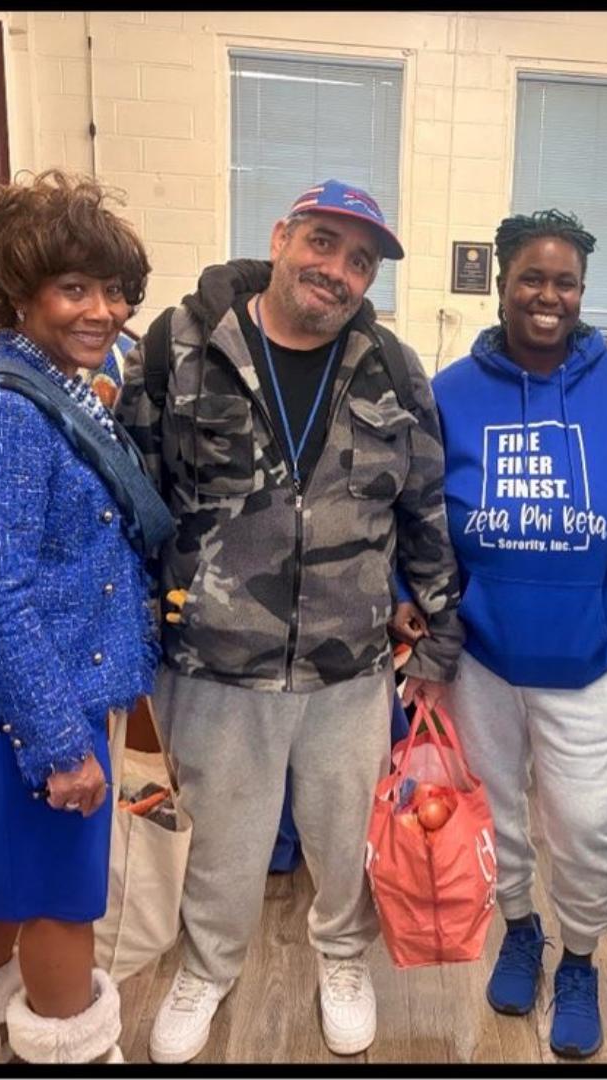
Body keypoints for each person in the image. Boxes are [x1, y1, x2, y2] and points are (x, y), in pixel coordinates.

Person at [116, 179, 463, 1063]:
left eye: (361, 261)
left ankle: (342, 961)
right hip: (214, 659)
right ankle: (207, 969)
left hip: (351, 665)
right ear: (280, 238)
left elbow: (424, 507)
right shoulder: (181, 347)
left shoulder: (393, 367)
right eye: (322, 243)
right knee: (221, 841)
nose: (338, 271)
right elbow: (131, 499)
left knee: (344, 840)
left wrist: (440, 626)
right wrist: (130, 634)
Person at [0, 170, 158, 1065]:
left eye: (115, 290)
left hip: (7, 702)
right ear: (19, 291)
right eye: (75, 288)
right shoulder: (8, 414)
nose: (104, 311)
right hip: (27, 708)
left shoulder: (49, 390)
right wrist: (59, 744)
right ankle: (65, 1050)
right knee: (56, 899)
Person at [394, 209, 607, 1058]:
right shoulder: (450, 391)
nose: (549, 295)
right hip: (482, 653)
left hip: (589, 654)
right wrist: (408, 601)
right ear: (501, 284)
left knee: (584, 824)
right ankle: (518, 928)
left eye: (565, 282)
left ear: (582, 290)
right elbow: (413, 508)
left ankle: (579, 958)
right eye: (531, 279)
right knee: (496, 812)